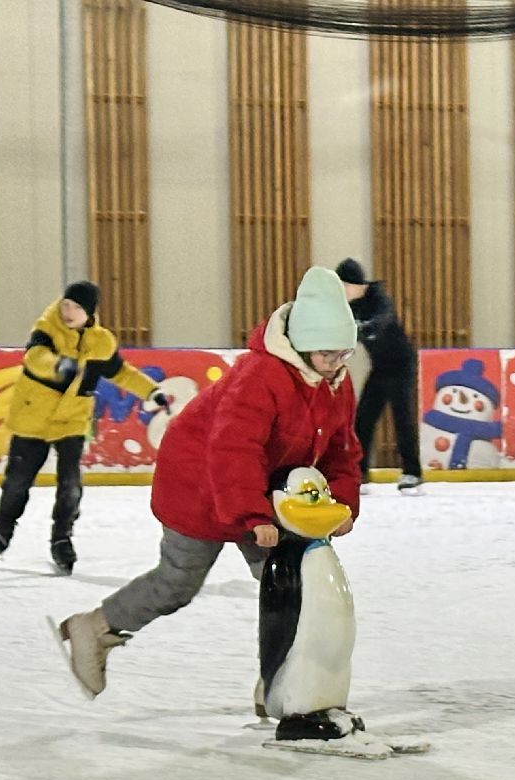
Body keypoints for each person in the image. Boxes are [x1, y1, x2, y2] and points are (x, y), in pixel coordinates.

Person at [56, 267, 363, 736]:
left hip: (262, 492)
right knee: (177, 583)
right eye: (326, 352)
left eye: (343, 352)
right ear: (300, 345)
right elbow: (232, 449)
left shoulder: (336, 383)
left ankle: (284, 684)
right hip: (198, 485)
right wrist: (251, 515)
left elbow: (342, 449)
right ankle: (94, 629)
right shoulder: (261, 376)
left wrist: (343, 504)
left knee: (292, 585)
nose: (335, 362)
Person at [0, 281, 169, 574]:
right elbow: (34, 357)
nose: (68, 312)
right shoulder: (48, 327)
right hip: (32, 420)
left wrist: (151, 392)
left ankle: (62, 539)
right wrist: (59, 365)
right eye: (66, 305)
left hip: (71, 420)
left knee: (70, 486)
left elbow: (121, 373)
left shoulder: (101, 342)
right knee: (17, 483)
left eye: (76, 308)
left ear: (90, 313)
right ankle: (0, 535)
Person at [335, 258, 422, 491]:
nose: (342, 292)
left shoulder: (378, 297)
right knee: (363, 419)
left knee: (402, 418)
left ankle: (413, 473)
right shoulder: (349, 307)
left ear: (356, 284)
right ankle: (360, 472)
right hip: (380, 368)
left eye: (344, 286)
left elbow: (382, 320)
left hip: (402, 365)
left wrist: (362, 329)